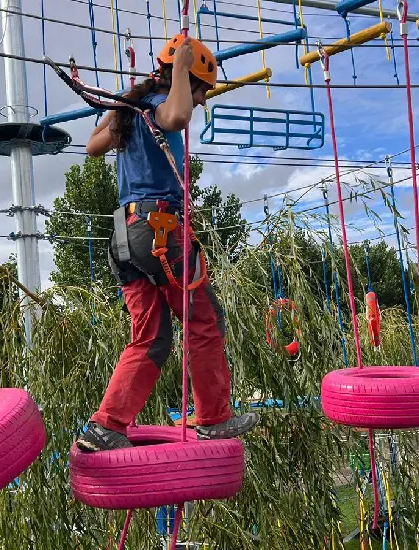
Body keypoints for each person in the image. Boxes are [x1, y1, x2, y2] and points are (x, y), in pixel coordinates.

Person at [76, 35, 259, 452]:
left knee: (151, 337)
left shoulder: (135, 112)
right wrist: (179, 69)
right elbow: (176, 116)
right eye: (202, 91)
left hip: (124, 237)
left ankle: (106, 426)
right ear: (187, 80)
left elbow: (92, 145)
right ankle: (213, 418)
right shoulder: (161, 107)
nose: (200, 101)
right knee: (205, 320)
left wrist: (124, 101)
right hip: (159, 229)